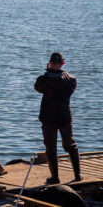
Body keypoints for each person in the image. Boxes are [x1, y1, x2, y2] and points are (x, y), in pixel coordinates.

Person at [34, 52, 82, 184]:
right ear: (63, 64)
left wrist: (47, 72)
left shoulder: (44, 79)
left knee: (51, 147)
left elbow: (37, 87)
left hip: (48, 117)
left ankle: (55, 177)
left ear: (50, 63)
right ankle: (78, 175)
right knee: (70, 145)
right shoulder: (71, 80)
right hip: (64, 117)